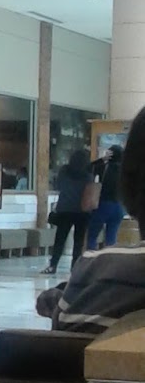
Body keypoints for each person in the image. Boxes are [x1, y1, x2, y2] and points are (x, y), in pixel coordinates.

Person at [37, 110, 145, 334]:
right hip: (110, 211)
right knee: (104, 236)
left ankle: (57, 262)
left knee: (88, 239)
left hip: (87, 211)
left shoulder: (92, 279)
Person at [47, 146, 92, 275]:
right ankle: (74, 268)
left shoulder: (64, 171)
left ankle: (53, 265)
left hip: (65, 209)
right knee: (78, 241)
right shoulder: (87, 175)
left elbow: (58, 185)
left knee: (60, 239)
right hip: (82, 211)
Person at [87, 144, 125, 251]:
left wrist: (102, 159)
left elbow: (88, 168)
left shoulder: (104, 168)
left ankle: (91, 256)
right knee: (111, 237)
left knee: (92, 235)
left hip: (103, 204)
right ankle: (109, 257)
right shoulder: (125, 171)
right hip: (119, 206)